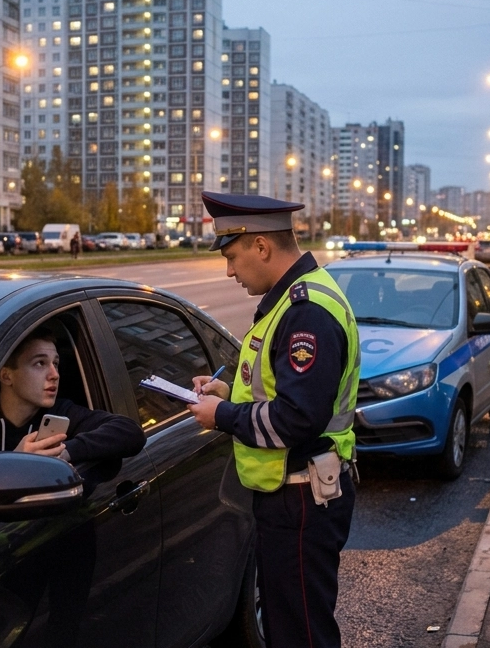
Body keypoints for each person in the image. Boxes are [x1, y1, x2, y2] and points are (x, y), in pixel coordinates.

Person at [186, 191, 358, 648]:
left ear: (261, 246)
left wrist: (221, 415)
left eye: (232, 255)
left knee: (300, 633)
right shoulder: (294, 299)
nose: (228, 270)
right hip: (294, 491)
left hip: (302, 496)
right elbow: (277, 390)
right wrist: (227, 393)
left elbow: (296, 418)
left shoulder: (306, 312)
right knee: (289, 622)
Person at [0, 324, 144, 466]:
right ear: (6, 375)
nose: (55, 374)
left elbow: (131, 431)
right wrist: (14, 462)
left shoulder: (60, 413)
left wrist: (63, 451)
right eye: (40, 363)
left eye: (56, 364)